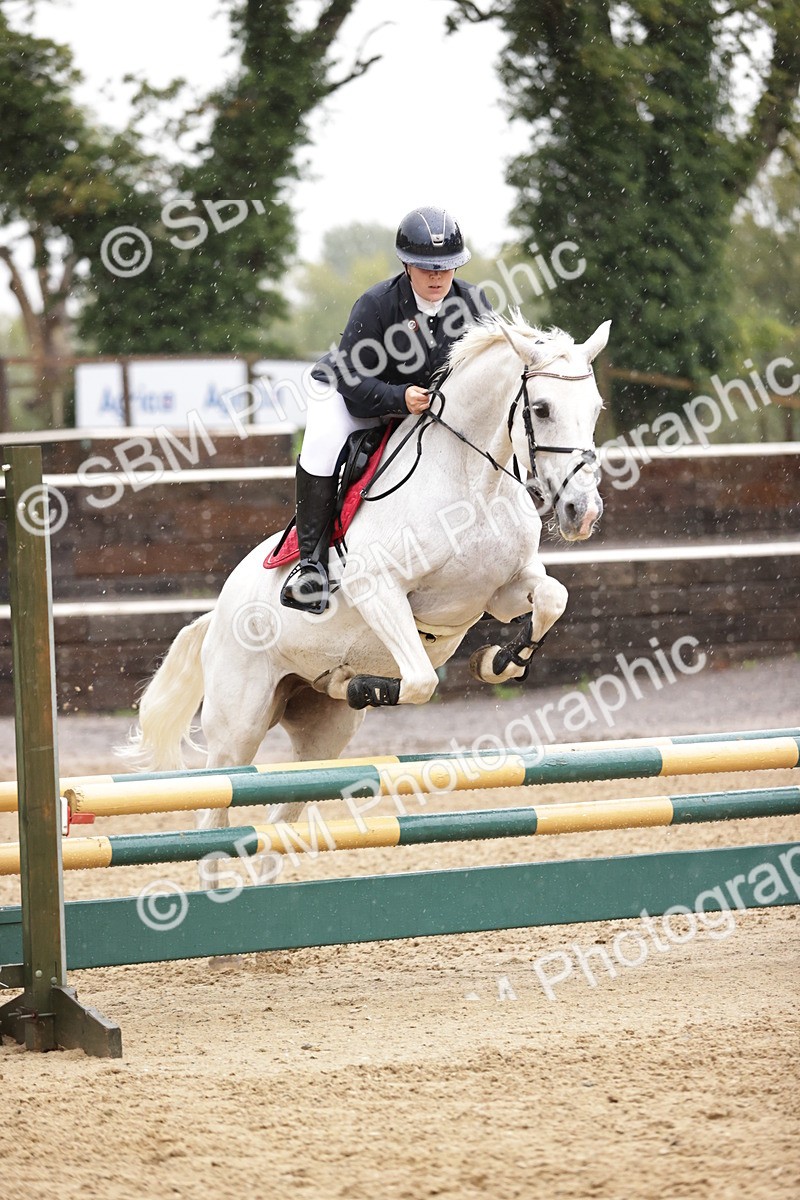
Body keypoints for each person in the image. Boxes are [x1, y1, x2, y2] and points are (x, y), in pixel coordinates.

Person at [280, 205, 492, 613]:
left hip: (422, 404)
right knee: (322, 443)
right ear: (406, 265)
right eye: (426, 267)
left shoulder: (473, 304)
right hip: (348, 394)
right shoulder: (376, 304)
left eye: (446, 267)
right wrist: (399, 400)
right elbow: (353, 381)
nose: (437, 277)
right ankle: (310, 567)